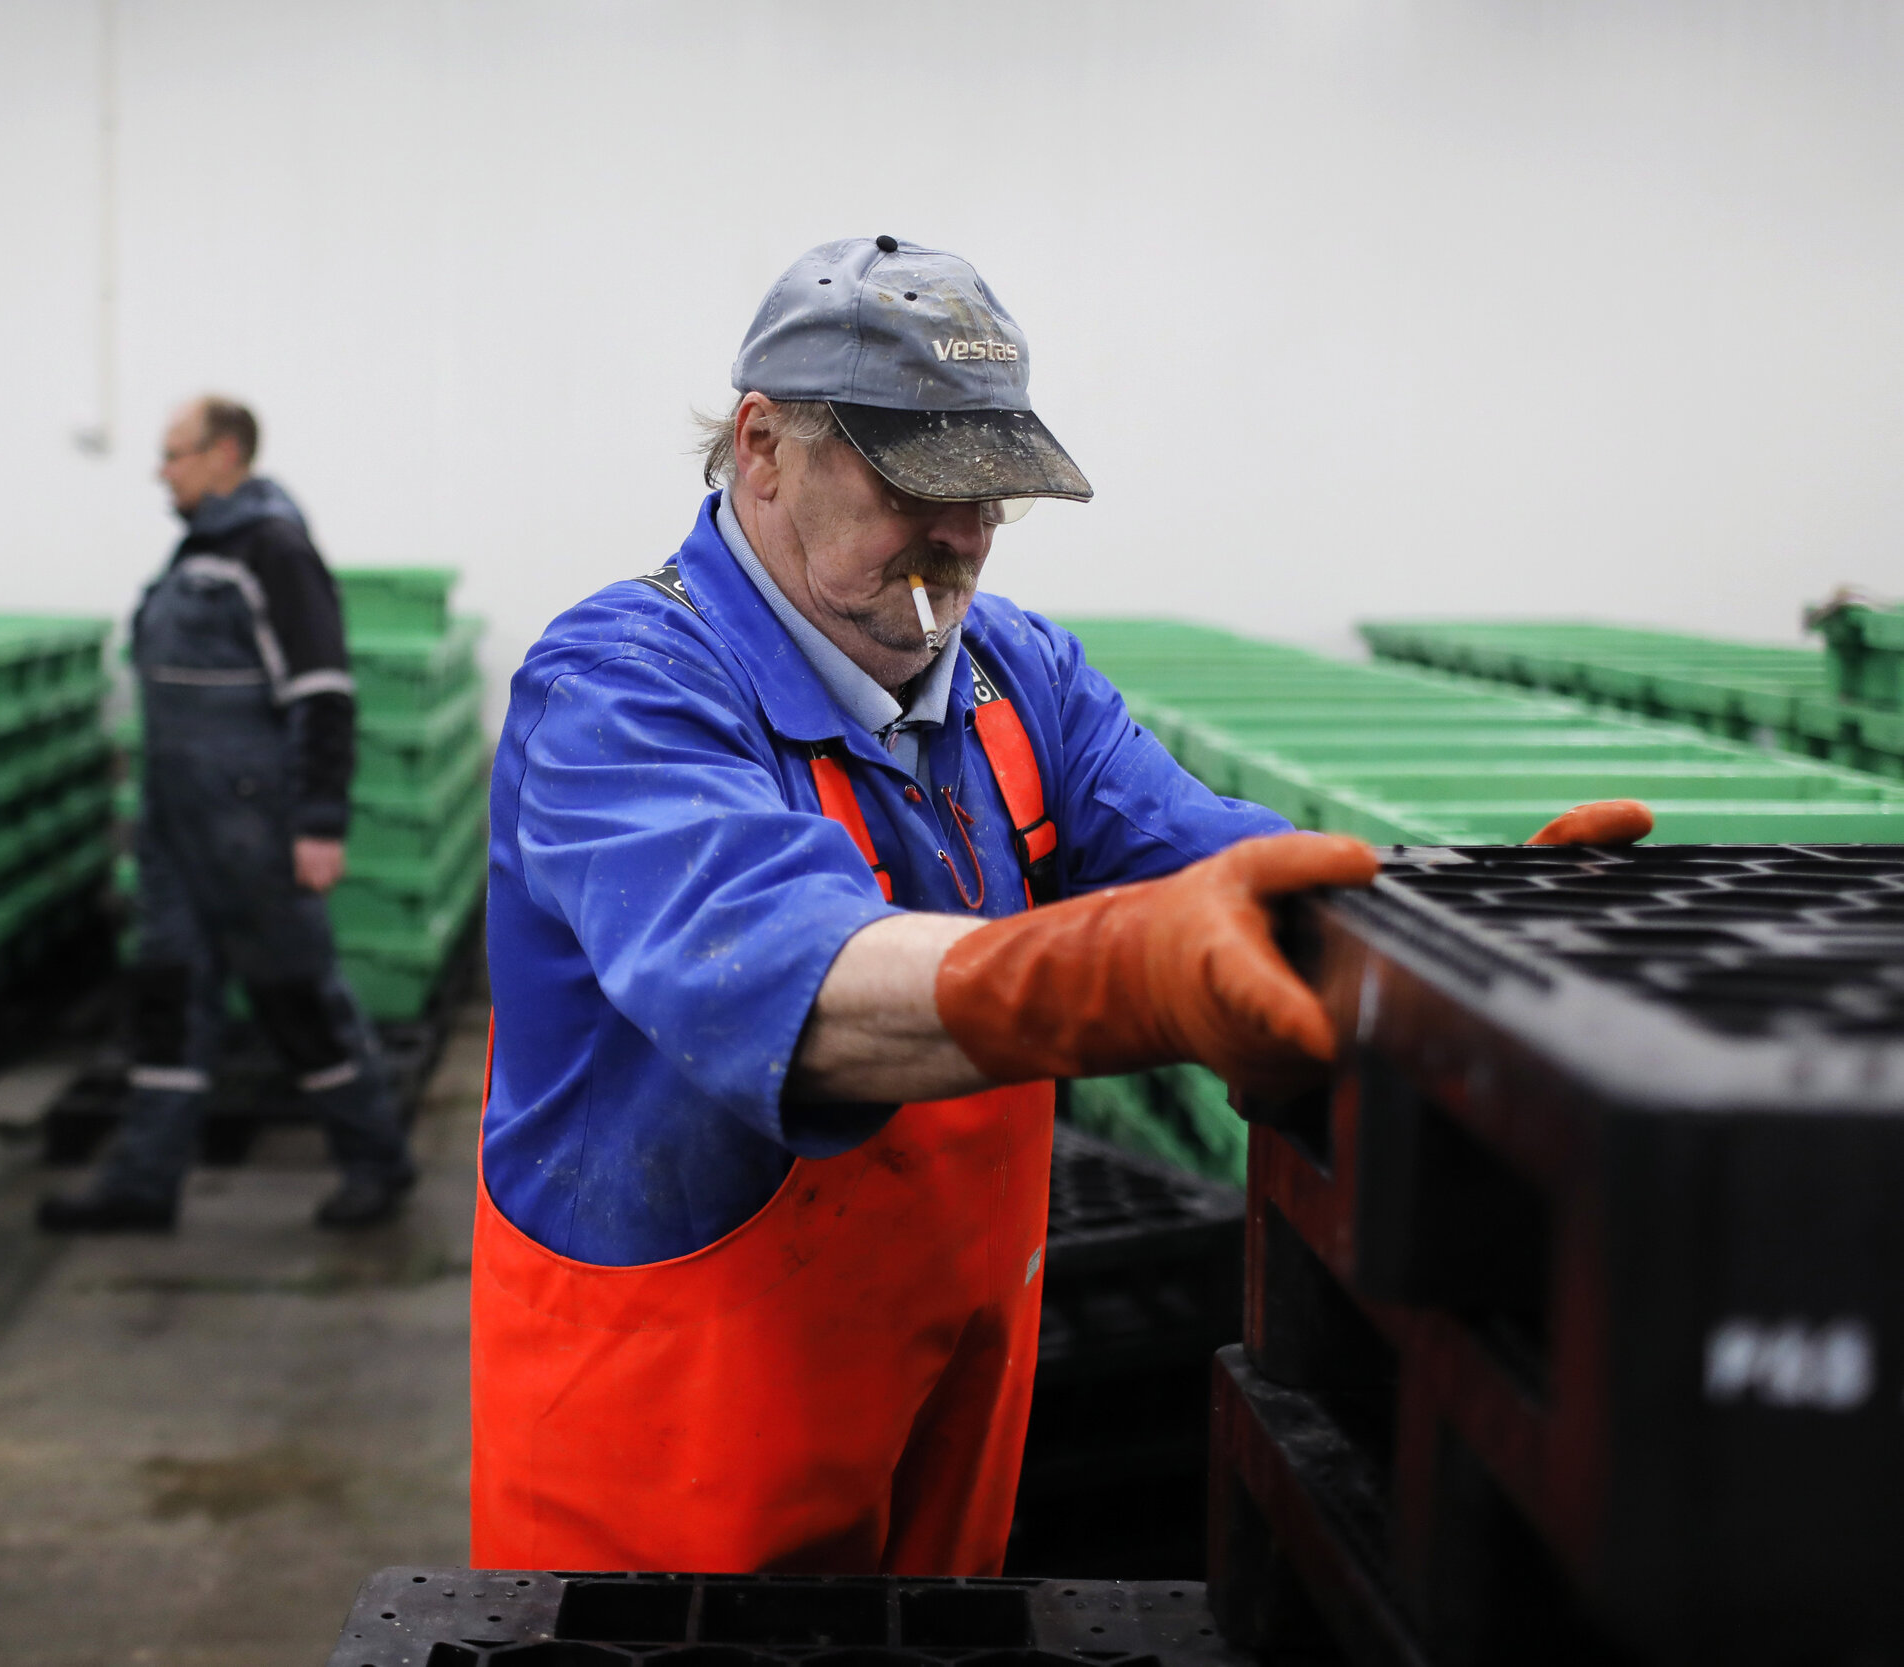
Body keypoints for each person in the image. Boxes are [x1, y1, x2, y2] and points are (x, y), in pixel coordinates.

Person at [468, 235, 1651, 1574]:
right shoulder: (622, 684)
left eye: (993, 494)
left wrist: (1454, 920)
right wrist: (1120, 976)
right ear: (762, 445)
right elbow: (787, 978)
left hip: (948, 1413)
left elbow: (1217, 862)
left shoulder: (1016, 676)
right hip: (663, 1459)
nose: (965, 537)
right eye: (919, 482)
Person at [40, 396, 418, 1234]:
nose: (161, 470)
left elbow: (323, 690)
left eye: (174, 453)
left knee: (297, 1001)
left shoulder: (272, 550)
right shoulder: (200, 550)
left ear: (225, 454)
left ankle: (376, 1161)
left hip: (253, 832)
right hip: (177, 829)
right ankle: (143, 1181)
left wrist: (320, 823)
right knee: (169, 998)